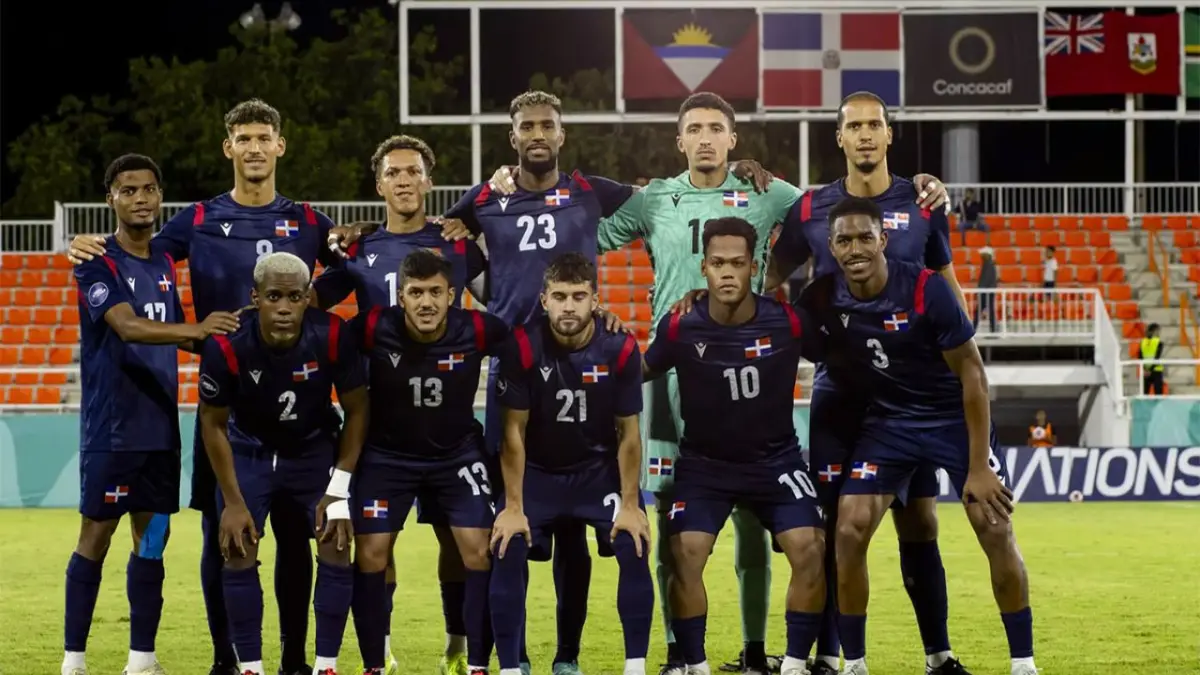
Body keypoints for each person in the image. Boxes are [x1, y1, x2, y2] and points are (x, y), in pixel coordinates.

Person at [624, 90, 950, 675]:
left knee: (906, 523)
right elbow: (590, 223)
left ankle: (803, 654)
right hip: (719, 388)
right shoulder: (661, 201)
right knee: (692, 532)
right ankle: (697, 654)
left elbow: (934, 282)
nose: (704, 137)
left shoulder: (807, 204)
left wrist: (930, 186)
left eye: (715, 128)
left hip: (901, 397)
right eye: (693, 127)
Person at [66, 99, 344, 675]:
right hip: (226, 405)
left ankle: (293, 657)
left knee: (296, 543)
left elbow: (349, 270)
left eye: (264, 137)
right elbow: (135, 255)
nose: (254, 148)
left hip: (297, 407)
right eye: (243, 138)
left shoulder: (312, 223)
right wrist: (86, 246)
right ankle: (226, 661)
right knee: (223, 533)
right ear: (229, 148)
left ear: (279, 146)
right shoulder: (193, 220)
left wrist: (338, 266)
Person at [799, 197, 1035, 675]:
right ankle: (856, 664)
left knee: (993, 525)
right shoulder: (821, 297)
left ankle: (1024, 664)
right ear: (831, 246)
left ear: (884, 239)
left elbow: (973, 375)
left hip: (950, 417)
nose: (856, 248)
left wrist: (977, 467)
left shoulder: (927, 289)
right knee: (848, 526)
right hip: (889, 423)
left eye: (866, 237)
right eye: (844, 240)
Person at [313, 134, 487, 675]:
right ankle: (380, 651)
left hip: (449, 426)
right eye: (394, 173)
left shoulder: (456, 244)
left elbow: (503, 300)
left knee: (460, 544)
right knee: (375, 547)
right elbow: (308, 303)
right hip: (380, 428)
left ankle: (458, 649)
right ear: (380, 183)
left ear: (429, 181)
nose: (405, 180)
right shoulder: (359, 249)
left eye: (414, 171)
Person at [64, 154, 242, 675]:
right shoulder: (98, 262)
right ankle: (73, 660)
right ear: (110, 200)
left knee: (154, 541)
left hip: (162, 430)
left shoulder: (164, 262)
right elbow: (128, 326)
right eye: (127, 190)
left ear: (160, 196)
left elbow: (181, 333)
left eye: (148, 189)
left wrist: (234, 340)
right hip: (112, 430)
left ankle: (141, 659)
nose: (139, 198)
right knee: (95, 539)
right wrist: (199, 330)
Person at [641, 218, 826, 675]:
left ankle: (796, 664)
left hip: (776, 461)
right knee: (683, 551)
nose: (728, 273)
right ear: (703, 267)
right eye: (718, 263)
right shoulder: (681, 325)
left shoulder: (787, 321)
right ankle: (696, 666)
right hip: (705, 466)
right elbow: (636, 373)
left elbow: (842, 353)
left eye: (738, 263)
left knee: (811, 547)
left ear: (755, 266)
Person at [197, 252, 369, 675]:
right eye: (274, 296)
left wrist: (340, 489)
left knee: (336, 541)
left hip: (312, 453)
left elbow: (359, 410)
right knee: (237, 548)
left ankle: (325, 665)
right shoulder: (226, 344)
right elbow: (213, 424)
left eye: (295, 296)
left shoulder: (331, 334)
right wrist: (233, 503)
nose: (285, 307)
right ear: (256, 298)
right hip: (249, 452)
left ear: (308, 297)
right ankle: (251, 667)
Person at [490, 253, 654, 675]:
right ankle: (513, 666)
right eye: (559, 296)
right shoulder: (523, 345)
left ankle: (622, 666)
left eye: (578, 297)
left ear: (594, 301)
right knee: (506, 544)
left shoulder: (619, 347)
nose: (568, 306)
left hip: (596, 474)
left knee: (633, 543)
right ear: (544, 300)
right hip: (539, 474)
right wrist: (512, 506)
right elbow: (513, 432)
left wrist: (632, 504)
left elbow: (629, 434)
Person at [346, 250, 507, 675]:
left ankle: (467, 659)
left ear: (452, 295)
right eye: (415, 293)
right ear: (400, 297)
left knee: (476, 550)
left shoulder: (476, 328)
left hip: (455, 455)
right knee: (371, 552)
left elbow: (534, 343)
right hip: (387, 456)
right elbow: (322, 340)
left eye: (436, 292)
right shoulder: (373, 326)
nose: (426, 302)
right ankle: (376, 662)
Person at [975, 247, 998, 333]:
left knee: (980, 310)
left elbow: (985, 280)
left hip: (986, 292)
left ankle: (974, 328)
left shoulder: (988, 265)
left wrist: (980, 289)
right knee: (988, 310)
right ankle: (993, 330)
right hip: (987, 291)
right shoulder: (989, 264)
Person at [1139, 323, 1165, 395]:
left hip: (1146, 371)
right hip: (1156, 370)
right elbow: (1157, 357)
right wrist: (1150, 370)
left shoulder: (1142, 342)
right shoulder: (1159, 342)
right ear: (1155, 331)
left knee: (1145, 394)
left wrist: (1145, 369)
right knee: (1158, 395)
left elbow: (1140, 357)